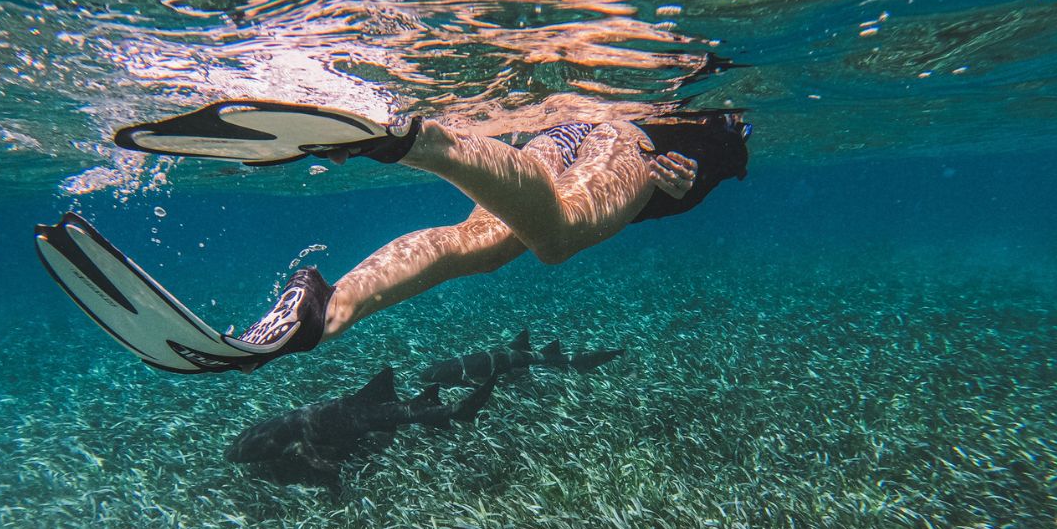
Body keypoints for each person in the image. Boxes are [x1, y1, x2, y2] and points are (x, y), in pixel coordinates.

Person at [236, 112, 751, 362]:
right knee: (558, 238)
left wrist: (693, 170)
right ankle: (415, 143)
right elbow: (706, 150)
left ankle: (322, 310)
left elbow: (704, 152)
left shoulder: (720, 132)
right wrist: (689, 173)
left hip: (560, 132)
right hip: (626, 140)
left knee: (478, 244)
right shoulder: (729, 138)